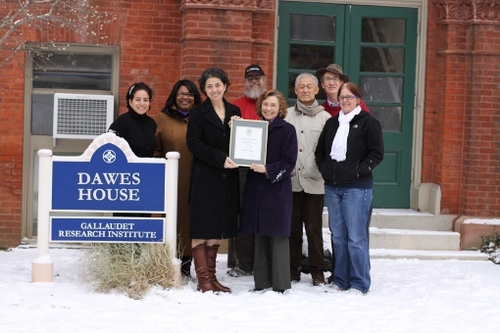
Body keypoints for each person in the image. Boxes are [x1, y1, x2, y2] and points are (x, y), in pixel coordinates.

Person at [315, 82, 384, 295]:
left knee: (356, 237)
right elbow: (320, 152)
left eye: (349, 97)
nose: (345, 100)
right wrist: (326, 170)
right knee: (338, 236)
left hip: (357, 188)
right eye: (342, 97)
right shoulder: (332, 123)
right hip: (333, 187)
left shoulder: (368, 123)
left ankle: (360, 283)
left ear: (358, 100)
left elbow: (377, 153)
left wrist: (359, 170)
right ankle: (340, 280)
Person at [186, 68, 241, 293]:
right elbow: (194, 144)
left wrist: (236, 129)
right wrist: (220, 159)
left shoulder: (234, 111)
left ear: (225, 86)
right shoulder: (198, 113)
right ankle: (203, 280)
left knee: (216, 229)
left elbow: (242, 144)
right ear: (204, 90)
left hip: (227, 179)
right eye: (209, 86)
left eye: (218, 85)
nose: (214, 89)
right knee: (202, 227)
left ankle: (212, 278)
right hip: (205, 177)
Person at [239, 89, 298, 293]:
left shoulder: (288, 130)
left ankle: (280, 284)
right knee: (260, 234)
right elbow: (241, 151)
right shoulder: (254, 128)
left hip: (277, 189)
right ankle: (261, 281)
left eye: (273, 105)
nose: (269, 108)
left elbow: (290, 162)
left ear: (280, 107)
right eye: (265, 104)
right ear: (260, 106)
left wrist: (268, 169)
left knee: (278, 235)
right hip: (256, 188)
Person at [285, 73, 331, 286]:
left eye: (308, 87)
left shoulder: (326, 118)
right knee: (292, 228)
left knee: (313, 229)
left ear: (316, 90)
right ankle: (292, 269)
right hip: (291, 181)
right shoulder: (285, 115)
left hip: (314, 181)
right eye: (300, 87)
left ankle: (318, 271)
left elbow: (327, 150)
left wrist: (320, 171)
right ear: (295, 91)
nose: (304, 90)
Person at [155, 79, 202, 278]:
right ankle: (166, 262)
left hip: (198, 179)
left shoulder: (201, 118)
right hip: (172, 180)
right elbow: (156, 148)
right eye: (181, 94)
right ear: (174, 96)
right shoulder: (163, 118)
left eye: (190, 94)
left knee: (192, 222)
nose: (185, 98)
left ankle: (187, 265)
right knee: (173, 220)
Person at [227, 64, 267, 278]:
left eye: (258, 77)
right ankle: (242, 262)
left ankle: (262, 260)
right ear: (244, 81)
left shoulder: (271, 103)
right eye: (250, 77)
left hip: (265, 168)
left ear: (264, 79)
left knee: (263, 214)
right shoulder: (236, 106)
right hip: (242, 168)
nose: (254, 81)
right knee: (242, 215)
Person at [109, 82, 156, 158]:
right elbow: (109, 148)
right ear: (130, 102)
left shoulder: (152, 124)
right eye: (137, 100)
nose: (142, 103)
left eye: (146, 100)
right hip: (126, 169)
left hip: (147, 168)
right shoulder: (121, 123)